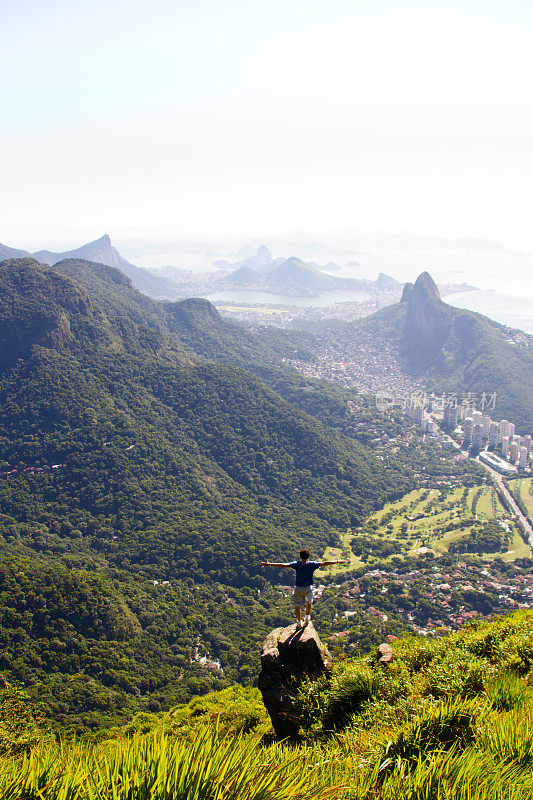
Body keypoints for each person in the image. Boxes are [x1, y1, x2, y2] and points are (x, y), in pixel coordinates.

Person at [260, 549, 348, 628]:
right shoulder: (312, 564)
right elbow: (324, 563)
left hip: (298, 588)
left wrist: (269, 564)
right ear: (308, 557)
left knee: (297, 605)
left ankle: (299, 622)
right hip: (307, 587)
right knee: (309, 601)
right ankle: (306, 616)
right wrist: (336, 561)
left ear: (300, 556)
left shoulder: (297, 564)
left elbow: (283, 565)